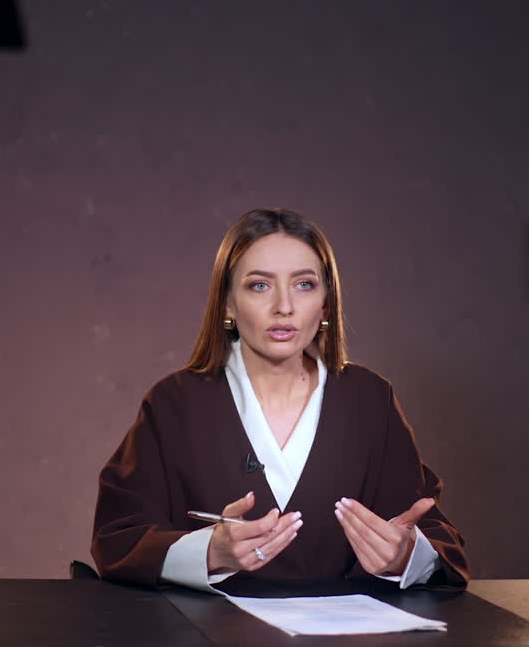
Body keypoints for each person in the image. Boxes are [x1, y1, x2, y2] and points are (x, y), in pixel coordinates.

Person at [90, 208, 468, 592]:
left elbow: (432, 534)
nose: (284, 306)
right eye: (259, 286)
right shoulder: (174, 403)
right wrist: (208, 552)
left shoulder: (369, 399)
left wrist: (405, 556)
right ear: (227, 304)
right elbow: (119, 537)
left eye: (304, 285)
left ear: (325, 304)